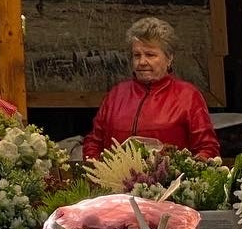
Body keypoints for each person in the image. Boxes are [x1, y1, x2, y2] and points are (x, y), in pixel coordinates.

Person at [83, 16, 220, 160]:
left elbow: (207, 148)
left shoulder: (188, 96)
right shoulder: (116, 95)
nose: (142, 62)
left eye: (150, 55)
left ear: (169, 58)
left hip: (171, 181)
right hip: (114, 181)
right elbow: (93, 142)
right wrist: (97, 171)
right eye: (137, 55)